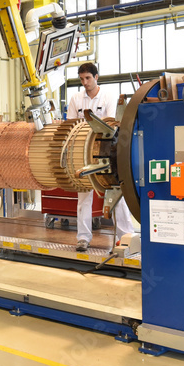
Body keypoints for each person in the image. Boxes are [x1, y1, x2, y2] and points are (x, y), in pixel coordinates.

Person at [66, 62, 139, 251]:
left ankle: (126, 236)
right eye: (82, 79)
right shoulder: (75, 99)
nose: (85, 82)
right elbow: (71, 127)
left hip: (105, 153)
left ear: (96, 77)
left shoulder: (108, 96)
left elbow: (111, 124)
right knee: (83, 198)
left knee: (115, 194)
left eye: (88, 78)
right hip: (81, 155)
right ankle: (83, 238)